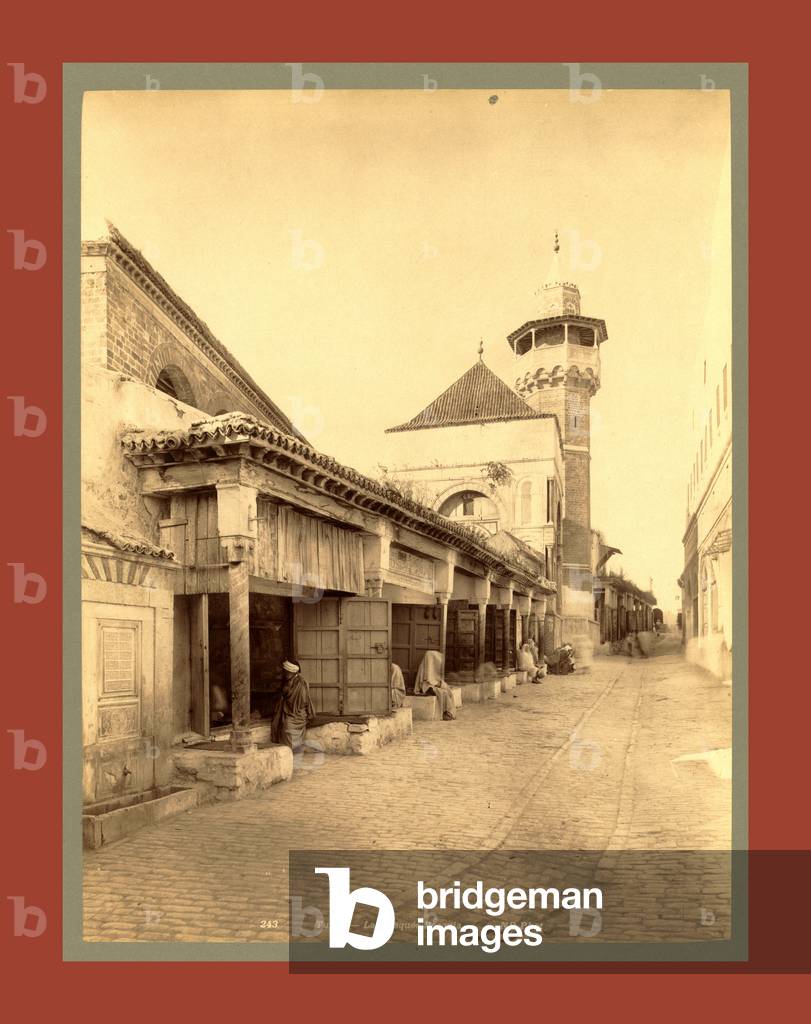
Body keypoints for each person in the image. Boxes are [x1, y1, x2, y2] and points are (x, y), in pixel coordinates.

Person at [276, 659, 315, 750]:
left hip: (297, 712)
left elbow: (303, 700)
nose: (284, 673)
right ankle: (288, 752)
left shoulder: (301, 683)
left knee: (287, 727)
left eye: (286, 672)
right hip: (289, 711)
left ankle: (294, 751)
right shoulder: (288, 681)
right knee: (284, 726)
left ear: (291, 672)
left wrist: (289, 700)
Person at [413, 649, 456, 720]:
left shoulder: (433, 666)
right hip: (427, 686)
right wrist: (436, 684)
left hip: (433, 684)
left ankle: (450, 712)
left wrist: (440, 684)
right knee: (442, 693)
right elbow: (428, 681)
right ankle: (445, 712)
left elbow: (435, 679)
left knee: (448, 690)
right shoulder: (426, 664)